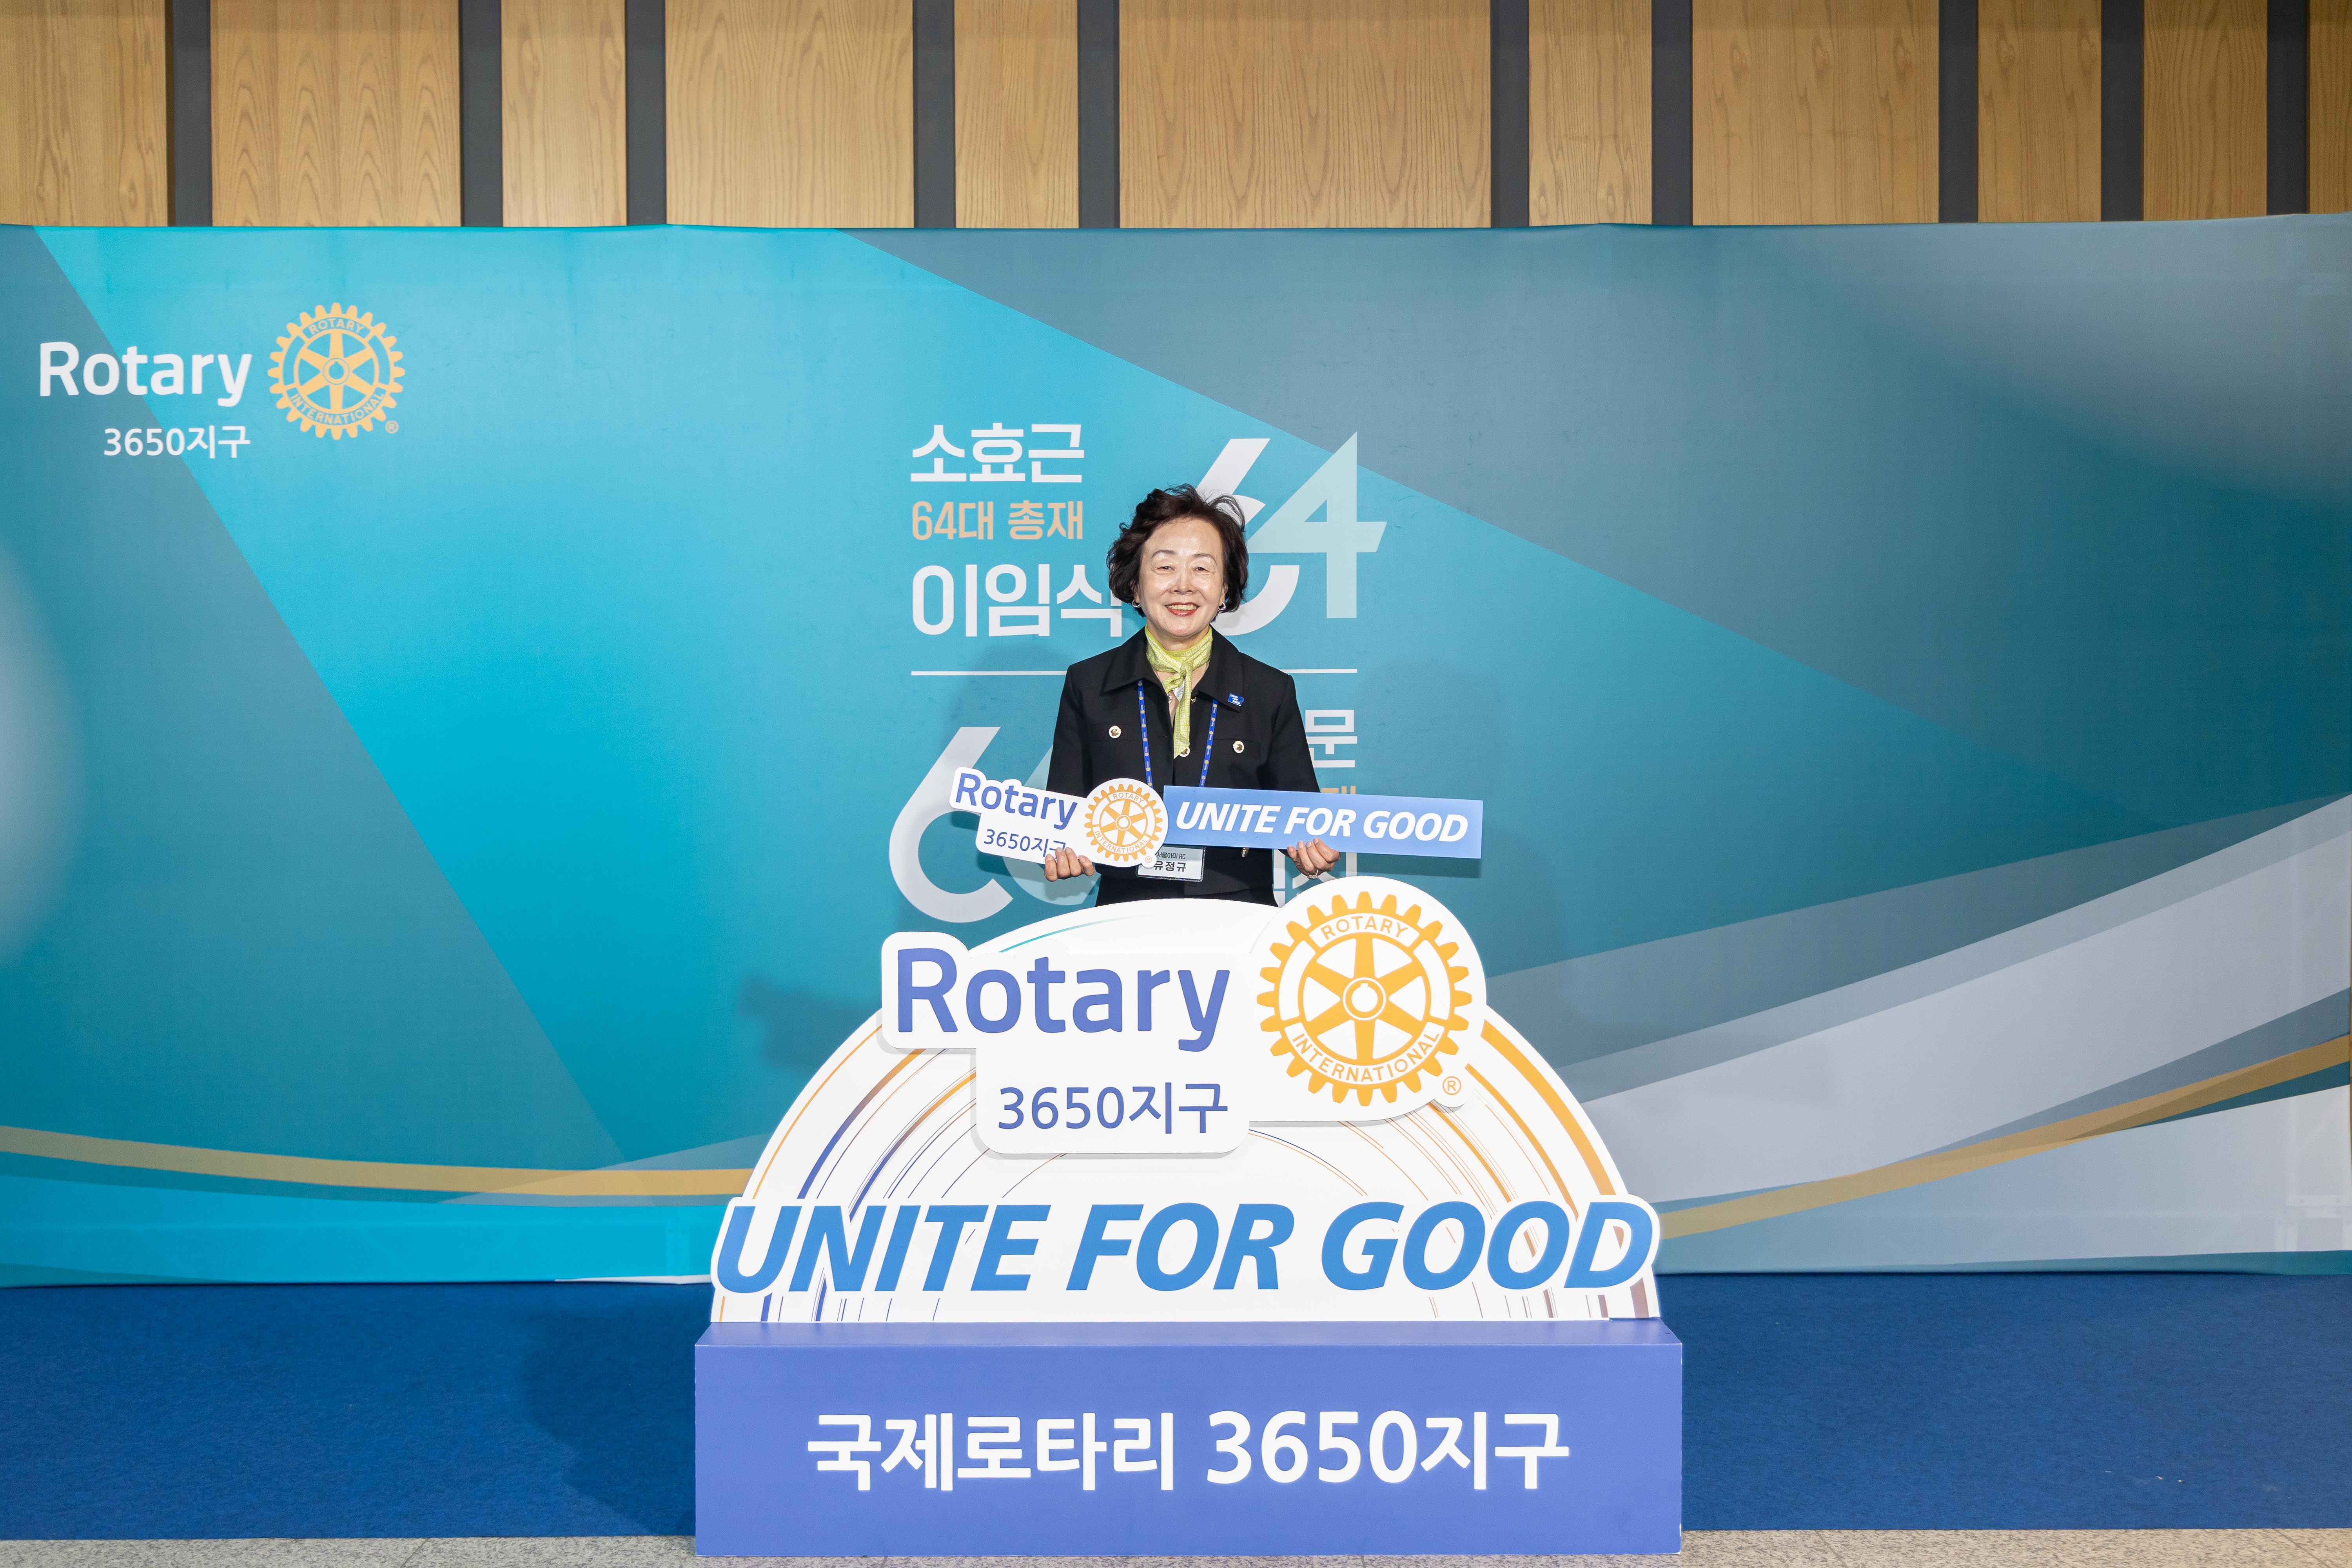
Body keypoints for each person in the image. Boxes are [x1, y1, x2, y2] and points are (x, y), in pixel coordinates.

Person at [1043, 484, 1340, 905]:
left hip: (1239, 910)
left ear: (1225, 589)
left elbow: (1304, 818)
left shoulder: (1269, 690)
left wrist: (1312, 848)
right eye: (1165, 567)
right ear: (1134, 586)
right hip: (1127, 912)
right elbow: (1062, 814)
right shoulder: (1089, 684)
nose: (1183, 586)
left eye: (1202, 569)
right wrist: (1058, 847)